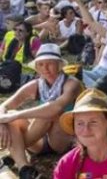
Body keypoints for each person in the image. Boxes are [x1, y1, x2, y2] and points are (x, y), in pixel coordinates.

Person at [0, 44, 81, 178]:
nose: (45, 68)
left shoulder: (71, 83)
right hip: (38, 141)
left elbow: (55, 108)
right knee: (9, 116)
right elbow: (5, 105)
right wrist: (3, 122)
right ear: (36, 67)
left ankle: (16, 152)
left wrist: (16, 115)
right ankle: (24, 168)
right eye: (41, 64)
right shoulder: (37, 84)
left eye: (50, 64)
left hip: (61, 139)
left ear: (60, 65)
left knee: (48, 113)